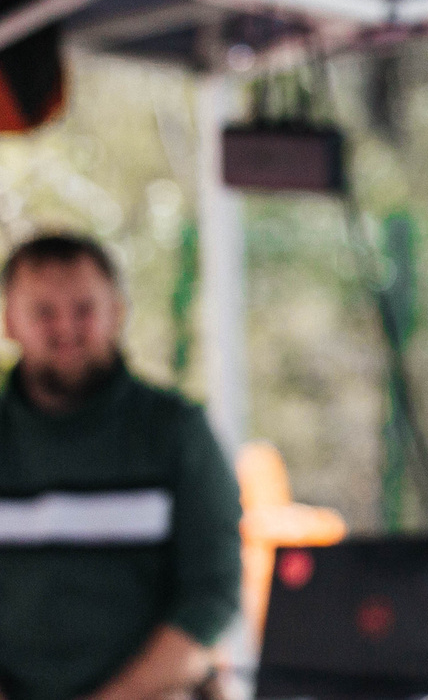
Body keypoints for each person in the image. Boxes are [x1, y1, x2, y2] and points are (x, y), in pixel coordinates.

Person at [0, 235, 241, 700]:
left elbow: (211, 596)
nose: (65, 329)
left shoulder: (176, 431)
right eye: (44, 312)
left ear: (117, 312)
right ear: (11, 321)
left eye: (84, 309)